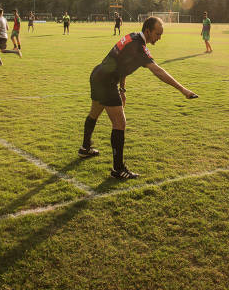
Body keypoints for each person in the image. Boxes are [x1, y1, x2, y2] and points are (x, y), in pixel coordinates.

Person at [78, 16, 198, 180]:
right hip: (106, 82)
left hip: (98, 75)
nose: (159, 38)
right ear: (147, 31)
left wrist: (122, 89)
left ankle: (85, 148)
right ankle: (118, 169)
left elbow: (120, 64)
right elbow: (158, 71)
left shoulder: (132, 36)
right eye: (157, 34)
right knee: (120, 123)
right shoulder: (139, 47)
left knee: (94, 113)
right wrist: (183, 90)